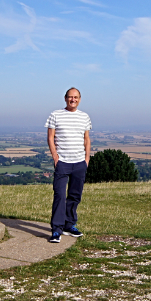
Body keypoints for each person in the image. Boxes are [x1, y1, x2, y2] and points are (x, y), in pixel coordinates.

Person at [45, 87, 92, 243]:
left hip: (79, 162)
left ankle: (69, 225)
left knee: (75, 196)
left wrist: (87, 159)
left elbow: (86, 139)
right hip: (62, 162)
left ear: (80, 99)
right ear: (65, 98)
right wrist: (55, 157)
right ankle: (56, 230)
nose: (73, 99)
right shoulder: (55, 115)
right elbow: (50, 137)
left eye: (76, 97)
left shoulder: (84, 117)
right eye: (70, 97)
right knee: (59, 195)